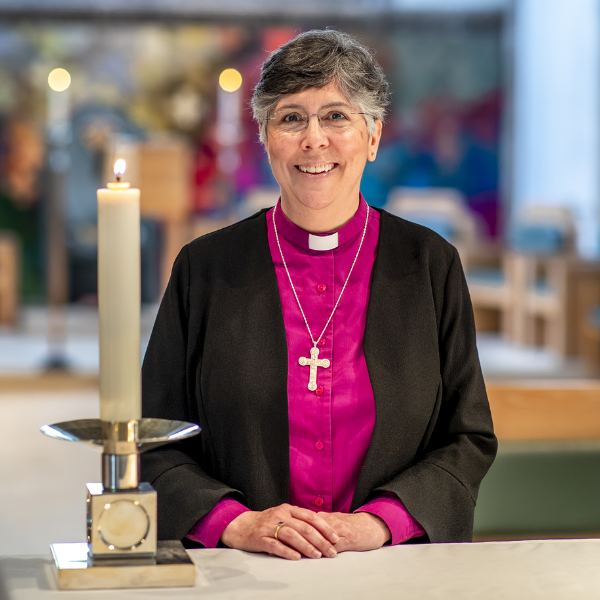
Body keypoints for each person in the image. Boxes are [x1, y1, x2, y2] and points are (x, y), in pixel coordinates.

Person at [141, 29, 497, 561]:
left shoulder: (429, 264)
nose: (313, 139)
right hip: (242, 567)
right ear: (266, 138)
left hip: (389, 564)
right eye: (291, 118)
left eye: (336, 116)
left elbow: (468, 436)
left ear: (373, 137)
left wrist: (380, 523)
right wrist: (236, 524)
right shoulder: (204, 268)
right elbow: (153, 436)